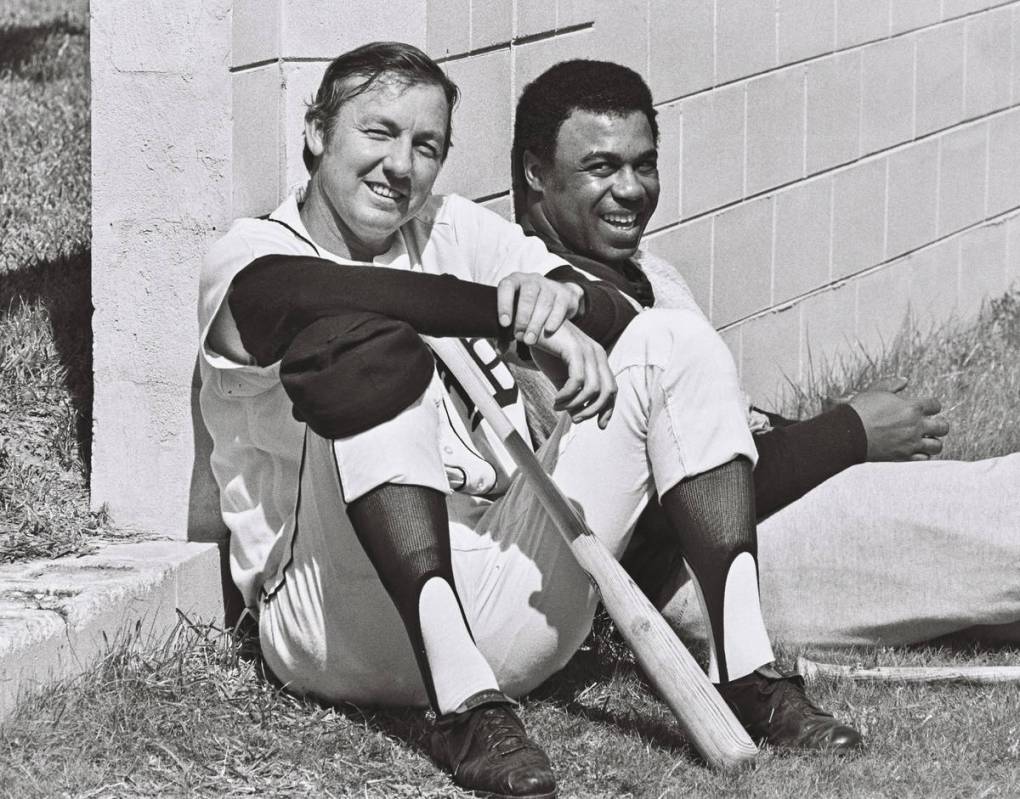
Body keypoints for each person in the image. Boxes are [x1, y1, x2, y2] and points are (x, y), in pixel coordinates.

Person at [199, 42, 860, 799]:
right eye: (377, 133)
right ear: (317, 133)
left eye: (427, 147)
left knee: (670, 336)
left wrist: (567, 304)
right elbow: (324, 295)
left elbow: (611, 307)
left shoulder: (449, 227)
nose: (400, 166)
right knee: (363, 344)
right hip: (332, 615)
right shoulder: (249, 253)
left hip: (500, 593)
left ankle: (748, 671)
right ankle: (463, 708)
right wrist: (504, 314)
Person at [511, 58, 1020, 650]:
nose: (630, 188)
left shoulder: (649, 270)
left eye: (643, 164)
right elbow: (648, 519)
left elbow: (720, 435)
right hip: (699, 572)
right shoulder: (541, 312)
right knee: (996, 511)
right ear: (536, 172)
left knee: (982, 519)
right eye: (600, 167)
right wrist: (847, 434)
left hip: (759, 513)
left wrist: (821, 437)